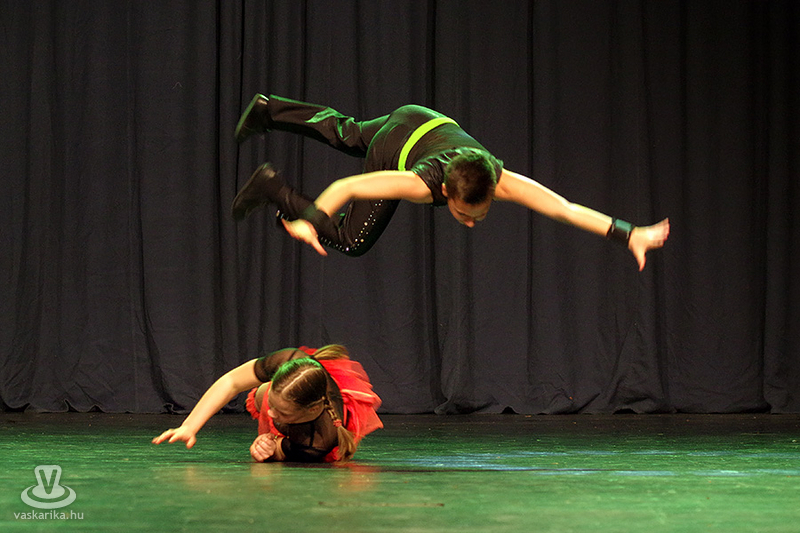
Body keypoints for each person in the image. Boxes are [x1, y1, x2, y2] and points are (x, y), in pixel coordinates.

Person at [231, 94, 669, 270]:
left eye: (478, 214)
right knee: (351, 239)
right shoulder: (420, 184)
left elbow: (565, 209)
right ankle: (271, 186)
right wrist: (311, 219)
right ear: (445, 193)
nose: (471, 222)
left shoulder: (499, 179)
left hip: (419, 118)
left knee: (347, 133)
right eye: (463, 214)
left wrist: (629, 233)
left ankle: (269, 110)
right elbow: (347, 187)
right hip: (401, 146)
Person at [152, 345, 382, 463]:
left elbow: (276, 452)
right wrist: (190, 426)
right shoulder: (291, 360)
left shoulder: (315, 442)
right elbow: (232, 381)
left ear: (311, 409)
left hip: (311, 434)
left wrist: (268, 449)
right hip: (302, 402)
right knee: (263, 394)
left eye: (281, 412)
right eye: (272, 405)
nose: (270, 413)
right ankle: (279, 401)